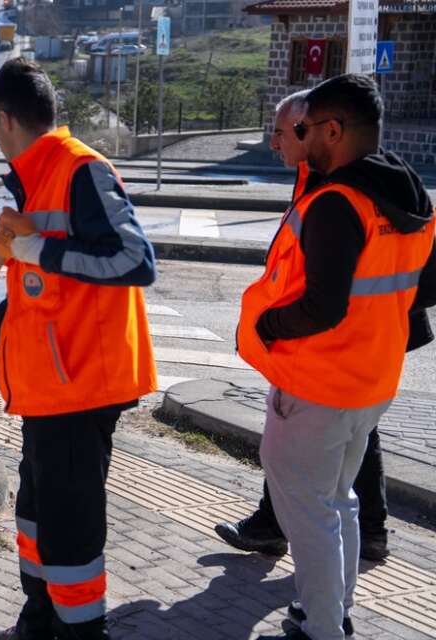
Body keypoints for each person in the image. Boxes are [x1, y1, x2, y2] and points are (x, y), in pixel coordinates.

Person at [0, 59, 157, 640]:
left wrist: (38, 250)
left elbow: (137, 262)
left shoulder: (81, 172)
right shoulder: (36, 179)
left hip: (82, 389)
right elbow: (29, 302)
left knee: (69, 528)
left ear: (2, 119)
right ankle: (39, 624)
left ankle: (81, 632)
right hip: (49, 389)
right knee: (34, 517)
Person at [241, 74, 436, 640]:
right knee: (338, 503)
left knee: (311, 512)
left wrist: (266, 324)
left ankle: (324, 628)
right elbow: (424, 287)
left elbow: (322, 307)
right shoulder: (410, 194)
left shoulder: (335, 202)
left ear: (333, 130)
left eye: (303, 130)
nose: (298, 139)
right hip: (373, 379)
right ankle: (325, 612)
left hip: (318, 380)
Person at [214, 89, 396, 563]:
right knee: (334, 460)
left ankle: (330, 597)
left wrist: (271, 324)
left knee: (332, 469)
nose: (275, 142)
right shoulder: (315, 177)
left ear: (315, 129)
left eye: (282, 132)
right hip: (331, 345)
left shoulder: (334, 187)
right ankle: (278, 525)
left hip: (330, 347)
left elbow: (328, 295)